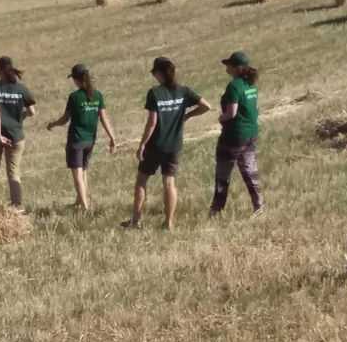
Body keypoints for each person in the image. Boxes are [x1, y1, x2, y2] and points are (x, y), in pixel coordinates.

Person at [122, 57, 211, 231]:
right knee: (169, 183)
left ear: (160, 74)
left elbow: (152, 122)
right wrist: (188, 115)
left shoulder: (154, 93)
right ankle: (168, 223)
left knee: (141, 180)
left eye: (155, 73)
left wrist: (142, 145)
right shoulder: (184, 91)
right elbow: (207, 106)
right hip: (175, 146)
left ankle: (136, 220)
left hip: (156, 145)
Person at [47, 64, 117, 211]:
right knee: (84, 170)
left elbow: (65, 119)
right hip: (90, 140)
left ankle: (84, 206)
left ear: (76, 80)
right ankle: (79, 201)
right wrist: (112, 137)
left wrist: (52, 124)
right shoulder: (97, 95)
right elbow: (104, 118)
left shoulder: (74, 97)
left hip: (76, 139)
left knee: (77, 172)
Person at [210, 52, 263, 217]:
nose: (226, 68)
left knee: (223, 174)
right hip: (251, 133)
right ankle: (258, 205)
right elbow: (256, 108)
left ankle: (217, 210)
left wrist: (221, 118)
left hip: (233, 135)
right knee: (249, 171)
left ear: (235, 68)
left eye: (229, 65)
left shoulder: (234, 86)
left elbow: (231, 112)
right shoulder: (250, 84)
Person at [0, 56, 36, 209]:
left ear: (0, 72)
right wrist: (18, 119)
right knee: (13, 172)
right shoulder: (21, 90)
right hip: (16, 136)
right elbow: (32, 111)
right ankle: (16, 205)